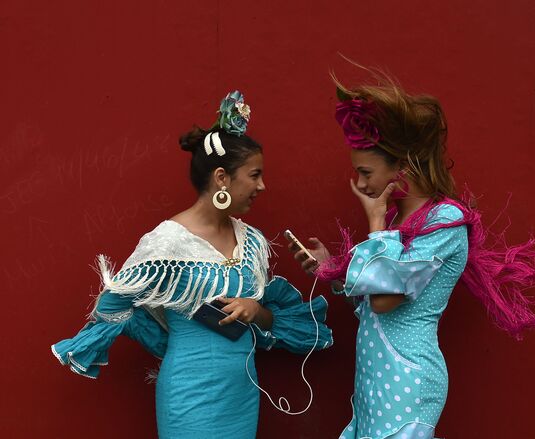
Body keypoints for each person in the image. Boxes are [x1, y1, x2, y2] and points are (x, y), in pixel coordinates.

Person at [289, 70, 535, 439]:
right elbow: (373, 303)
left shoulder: (446, 221)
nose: (360, 184)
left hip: (408, 374)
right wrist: (334, 272)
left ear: (403, 167)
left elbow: (387, 299)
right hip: (377, 373)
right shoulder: (398, 219)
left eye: (365, 172)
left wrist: (375, 225)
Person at [51, 90, 333, 439]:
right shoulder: (168, 243)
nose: (262, 185)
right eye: (255, 174)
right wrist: (172, 343)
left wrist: (255, 311)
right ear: (222, 179)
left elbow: (264, 320)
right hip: (188, 396)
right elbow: (112, 305)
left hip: (242, 397)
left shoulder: (252, 240)